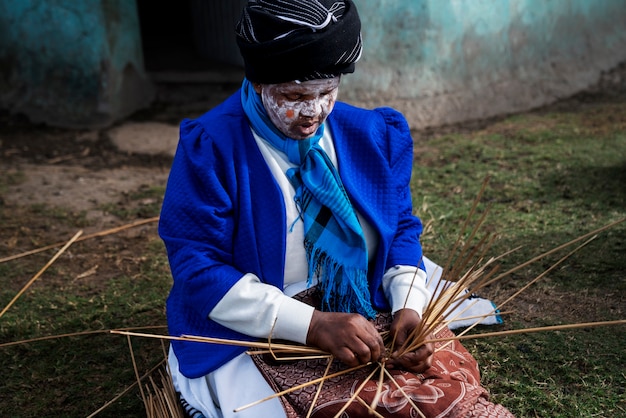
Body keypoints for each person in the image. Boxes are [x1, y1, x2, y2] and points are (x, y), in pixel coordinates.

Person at [159, 1, 515, 417]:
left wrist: (408, 305)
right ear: (257, 83)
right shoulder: (212, 149)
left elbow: (399, 229)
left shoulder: (374, 134)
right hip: (254, 327)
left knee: (438, 400)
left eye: (326, 92)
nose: (313, 112)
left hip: (363, 302)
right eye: (293, 96)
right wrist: (311, 325)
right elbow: (197, 268)